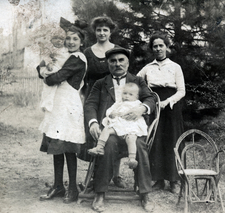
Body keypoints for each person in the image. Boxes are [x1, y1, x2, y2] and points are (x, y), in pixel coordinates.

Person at [84, 47, 156, 212]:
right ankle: (100, 192)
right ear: (108, 64)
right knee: (107, 144)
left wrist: (142, 109)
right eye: (113, 61)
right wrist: (93, 123)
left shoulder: (138, 81)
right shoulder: (101, 83)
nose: (117, 64)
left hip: (132, 129)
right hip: (113, 129)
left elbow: (150, 98)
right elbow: (90, 104)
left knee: (139, 146)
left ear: (128, 62)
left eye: (121, 60)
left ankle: (144, 194)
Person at [37, 24, 87, 203]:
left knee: (68, 148)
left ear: (81, 42)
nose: (71, 42)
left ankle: (72, 188)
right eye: (68, 38)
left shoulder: (78, 58)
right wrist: (44, 68)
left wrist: (46, 73)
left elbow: (55, 79)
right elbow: (39, 68)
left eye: (75, 39)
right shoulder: (62, 55)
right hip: (57, 106)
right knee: (56, 146)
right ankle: (58, 185)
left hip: (68, 106)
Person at [137, 32, 185, 193]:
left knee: (172, 141)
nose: (158, 49)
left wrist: (167, 102)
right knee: (155, 141)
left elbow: (182, 91)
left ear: (166, 47)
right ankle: (158, 180)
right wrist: (147, 98)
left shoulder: (175, 67)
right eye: (155, 46)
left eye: (161, 45)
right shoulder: (147, 68)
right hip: (154, 105)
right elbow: (136, 82)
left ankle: (174, 181)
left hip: (171, 107)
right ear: (152, 48)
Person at [80, 16, 125, 188]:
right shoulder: (87, 52)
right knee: (95, 134)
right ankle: (95, 177)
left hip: (113, 96)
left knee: (115, 131)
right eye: (98, 30)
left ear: (110, 31)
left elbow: (123, 73)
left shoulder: (117, 50)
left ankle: (116, 174)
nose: (101, 33)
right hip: (93, 96)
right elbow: (83, 78)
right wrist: (84, 97)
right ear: (95, 31)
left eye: (105, 30)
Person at [88, 83, 148, 170]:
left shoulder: (138, 104)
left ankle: (132, 158)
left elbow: (142, 112)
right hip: (119, 125)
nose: (127, 96)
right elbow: (109, 110)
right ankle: (99, 147)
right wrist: (111, 114)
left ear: (136, 96)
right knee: (107, 129)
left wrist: (136, 112)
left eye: (130, 94)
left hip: (130, 126)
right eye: (125, 93)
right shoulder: (119, 103)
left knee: (131, 138)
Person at [38, 28, 69, 112]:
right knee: (48, 87)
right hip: (52, 68)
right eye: (55, 38)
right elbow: (45, 57)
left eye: (61, 39)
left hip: (60, 70)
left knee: (56, 90)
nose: (58, 41)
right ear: (51, 40)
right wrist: (49, 63)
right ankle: (45, 103)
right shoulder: (50, 49)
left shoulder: (66, 49)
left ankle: (49, 103)